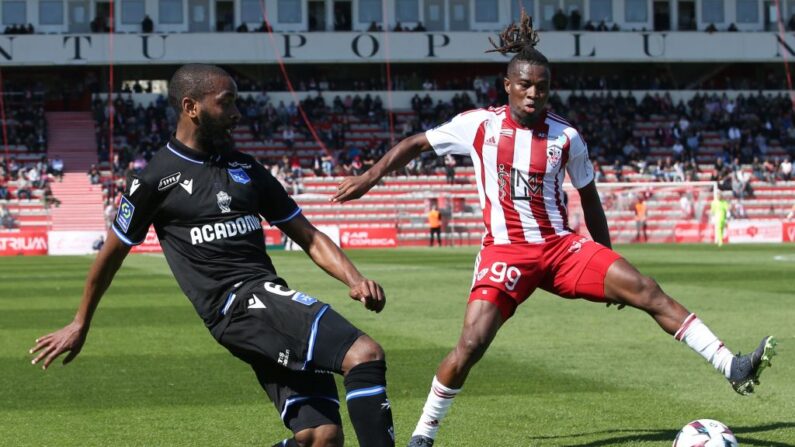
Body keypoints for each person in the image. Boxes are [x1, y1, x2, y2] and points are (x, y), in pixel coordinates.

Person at [331, 13, 776, 446]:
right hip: (506, 253)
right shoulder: (479, 126)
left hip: (561, 249)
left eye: (541, 88)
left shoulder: (567, 137)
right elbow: (414, 143)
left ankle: (730, 365)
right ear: (508, 86)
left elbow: (590, 196)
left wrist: (606, 256)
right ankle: (424, 434)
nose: (533, 94)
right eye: (524, 85)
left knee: (646, 289)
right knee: (469, 345)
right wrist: (368, 179)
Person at [29, 64, 395, 447]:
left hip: (263, 305)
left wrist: (354, 280)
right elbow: (111, 255)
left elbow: (307, 235)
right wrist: (80, 321)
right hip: (239, 305)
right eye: (226, 103)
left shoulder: (246, 168)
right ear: (191, 107)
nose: (237, 113)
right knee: (364, 353)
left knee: (320, 438)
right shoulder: (155, 178)